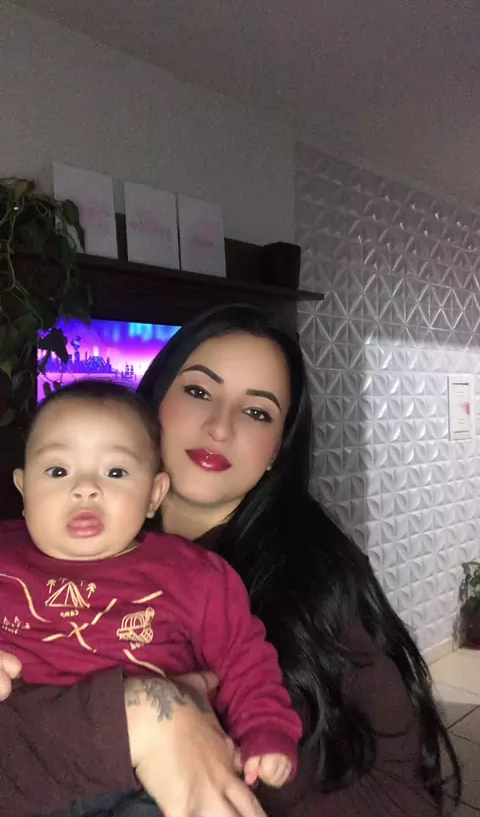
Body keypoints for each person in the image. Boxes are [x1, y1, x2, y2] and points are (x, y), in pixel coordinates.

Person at [0, 303, 461, 817]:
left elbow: (400, 789)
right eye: (199, 392)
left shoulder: (313, 575)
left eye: (257, 412)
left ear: (276, 450)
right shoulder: (33, 549)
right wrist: (143, 716)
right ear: (153, 400)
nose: (220, 428)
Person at [1, 379, 301, 813]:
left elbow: (244, 658)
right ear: (24, 487)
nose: (85, 488)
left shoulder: (192, 574)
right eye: (58, 471)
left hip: (148, 780)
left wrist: (266, 729)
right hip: (35, 772)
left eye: (116, 472)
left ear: (154, 495)